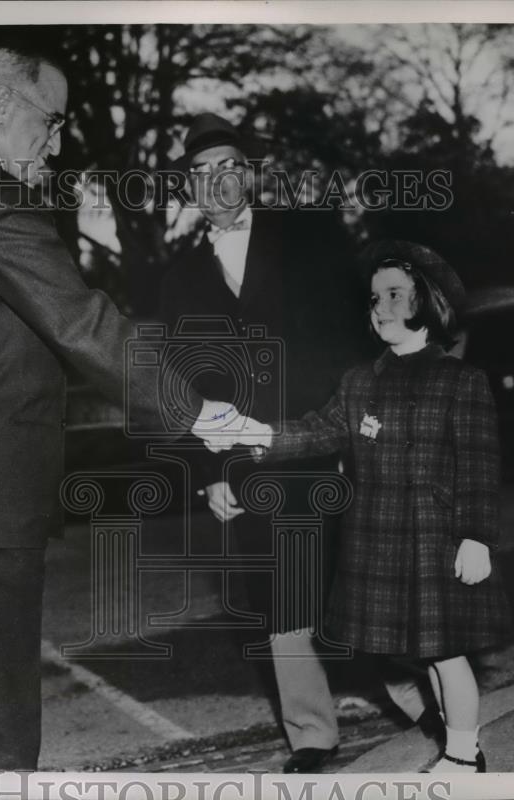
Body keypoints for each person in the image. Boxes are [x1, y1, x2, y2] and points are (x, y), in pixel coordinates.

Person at [0, 48, 234, 771]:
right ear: (5, 106)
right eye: (53, 120)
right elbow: (85, 325)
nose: (58, 142)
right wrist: (196, 412)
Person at [158, 113, 426, 773]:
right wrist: (208, 473)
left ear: (248, 173)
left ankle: (423, 698)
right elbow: (179, 386)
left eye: (228, 165)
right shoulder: (176, 278)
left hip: (333, 439)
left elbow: (357, 335)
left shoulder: (310, 235)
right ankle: (311, 733)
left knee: (365, 583)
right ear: (188, 186)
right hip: (249, 461)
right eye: (202, 172)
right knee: (284, 595)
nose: (216, 181)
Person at [244, 241, 513, 773]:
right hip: (379, 542)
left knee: (446, 652)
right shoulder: (360, 382)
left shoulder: (461, 381)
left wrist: (477, 536)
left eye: (395, 295)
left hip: (437, 542)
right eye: (374, 298)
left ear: (427, 301)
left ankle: (463, 755)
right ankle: (458, 743)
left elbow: (479, 468)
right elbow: (317, 430)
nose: (381, 308)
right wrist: (256, 435)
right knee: (424, 654)